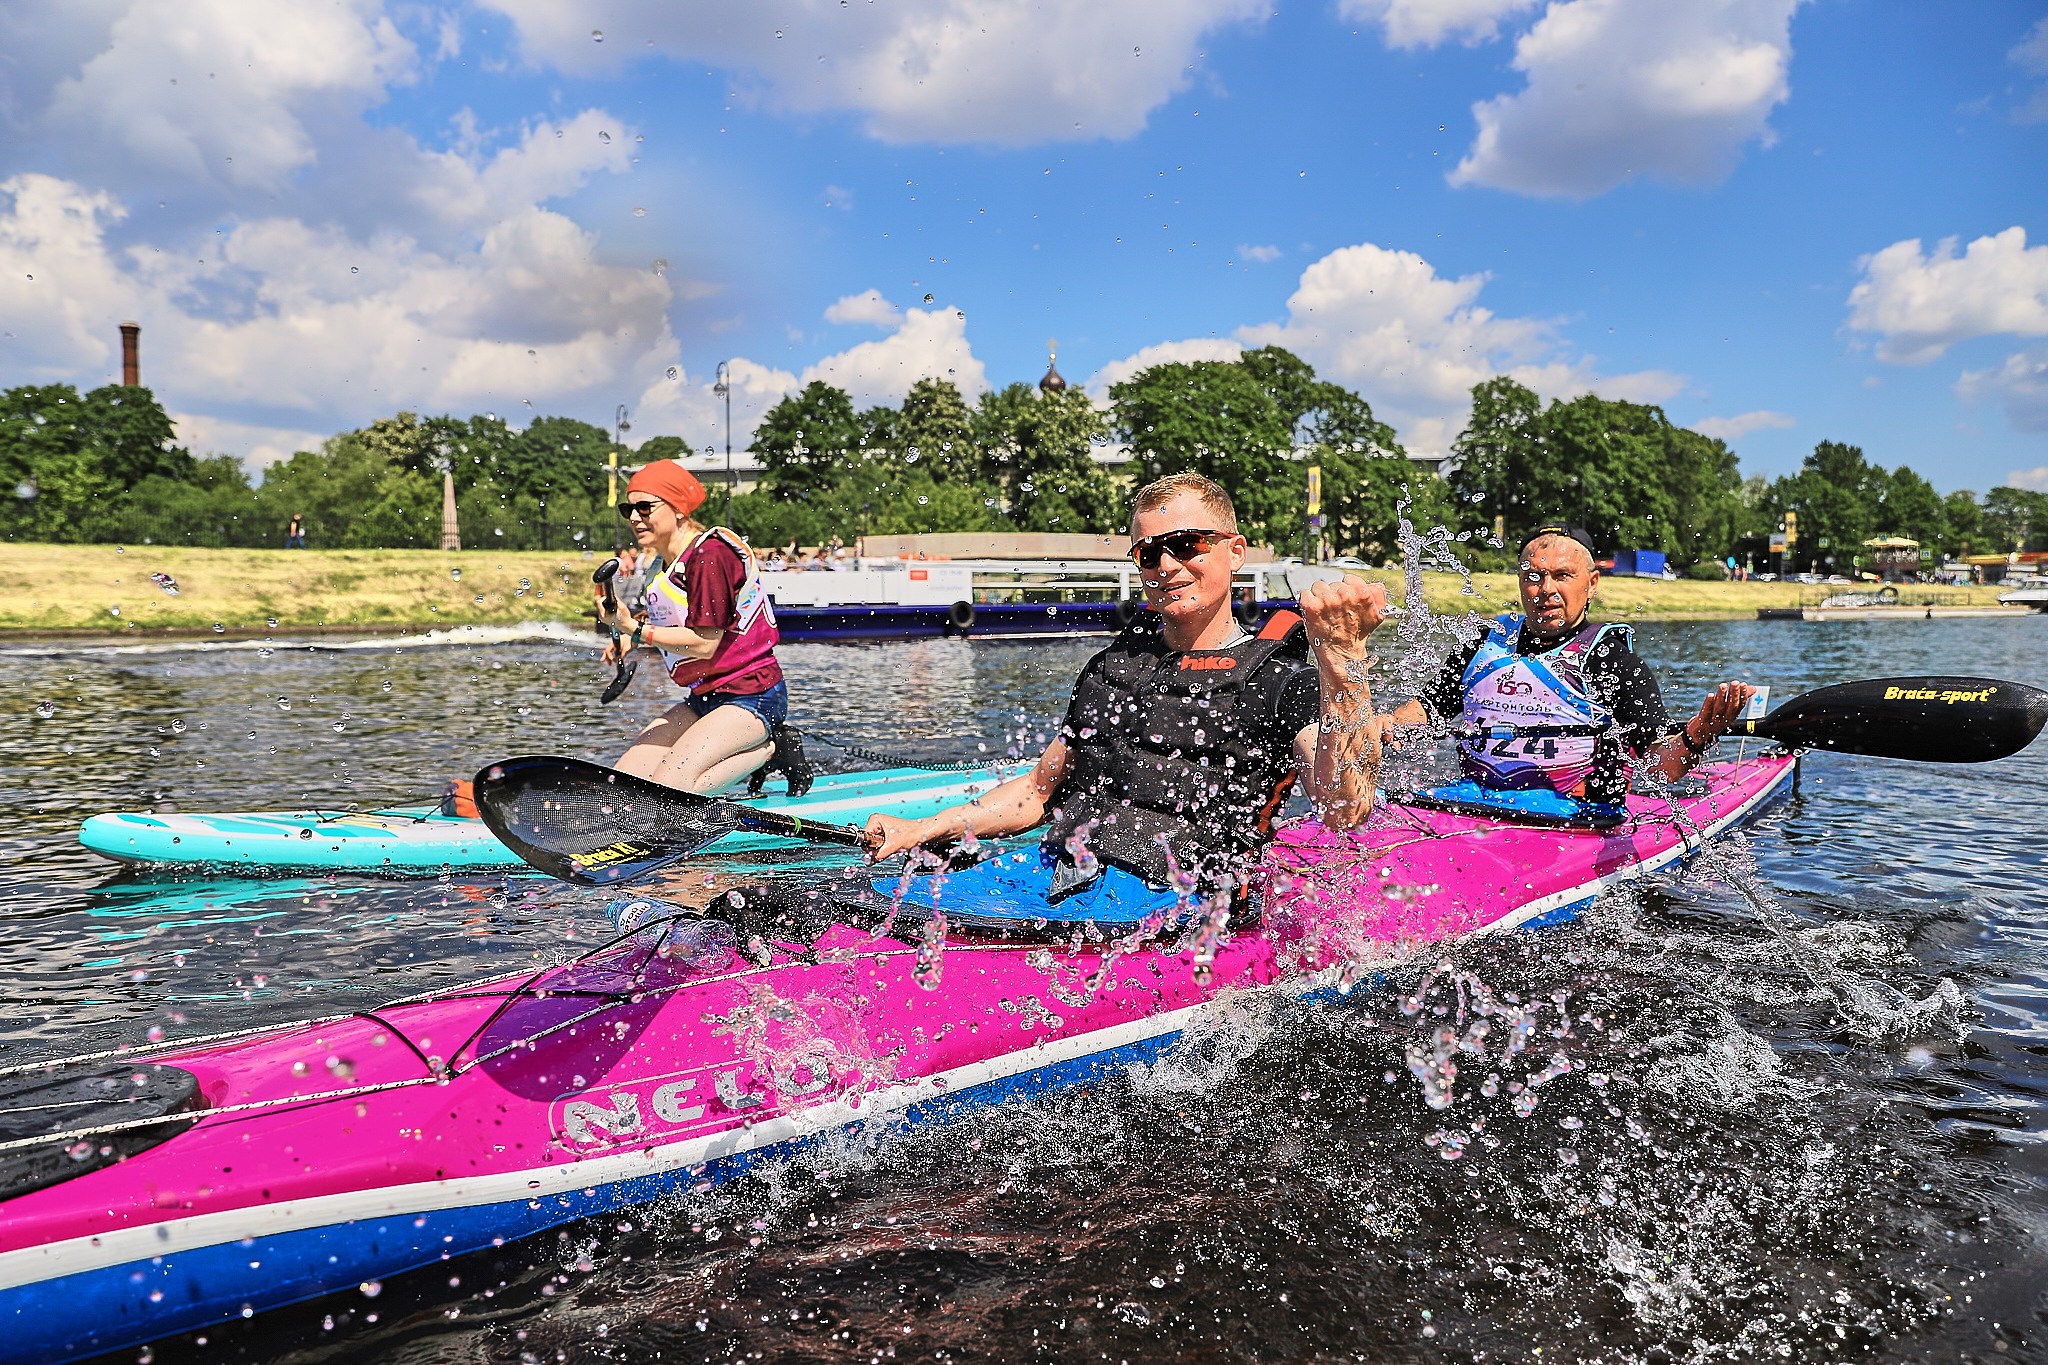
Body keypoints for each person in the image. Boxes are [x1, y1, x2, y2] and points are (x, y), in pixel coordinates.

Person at [860, 472, 1388, 921]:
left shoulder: (1282, 682)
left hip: (1179, 909)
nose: (1166, 564)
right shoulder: (1112, 668)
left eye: (1187, 545)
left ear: (1235, 551)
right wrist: (922, 828)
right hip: (1061, 878)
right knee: (860, 907)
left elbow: (1346, 807)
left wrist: (1343, 663)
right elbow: (1038, 793)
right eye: (1149, 551)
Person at [1379, 522, 1754, 807]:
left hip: (1577, 820)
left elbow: (1659, 766)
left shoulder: (1613, 662)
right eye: (1534, 577)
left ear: (1591, 584)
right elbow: (1426, 710)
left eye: (1562, 576)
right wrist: (1386, 726)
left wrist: (1699, 734)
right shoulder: (1483, 643)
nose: (1546, 589)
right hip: (1474, 805)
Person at [597, 459, 809, 794]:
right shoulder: (661, 563)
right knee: (626, 785)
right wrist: (629, 637)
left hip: (752, 695)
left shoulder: (711, 555)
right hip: (703, 697)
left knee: (671, 789)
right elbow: (670, 617)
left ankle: (771, 750)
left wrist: (633, 630)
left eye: (644, 507)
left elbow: (705, 642)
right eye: (629, 508)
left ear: (678, 509)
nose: (635, 517)